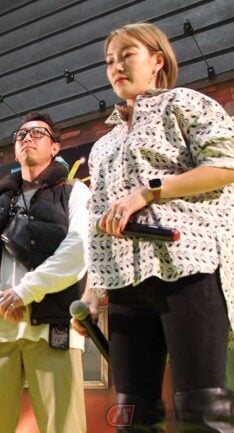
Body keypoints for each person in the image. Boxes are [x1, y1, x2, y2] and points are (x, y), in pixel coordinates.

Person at [74, 22, 234, 432]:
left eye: (127, 55)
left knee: (202, 410)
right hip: (125, 284)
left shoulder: (186, 103)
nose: (116, 67)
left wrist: (149, 191)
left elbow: (226, 165)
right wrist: (92, 292)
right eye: (109, 61)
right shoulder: (104, 145)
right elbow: (98, 223)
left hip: (189, 268)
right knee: (132, 415)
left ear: (157, 60)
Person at [0, 112, 90, 432]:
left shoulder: (74, 192)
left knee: (64, 426)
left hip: (51, 325)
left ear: (55, 147)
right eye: (21, 134)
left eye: (38, 133)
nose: (27, 138)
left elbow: (78, 249)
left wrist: (25, 291)